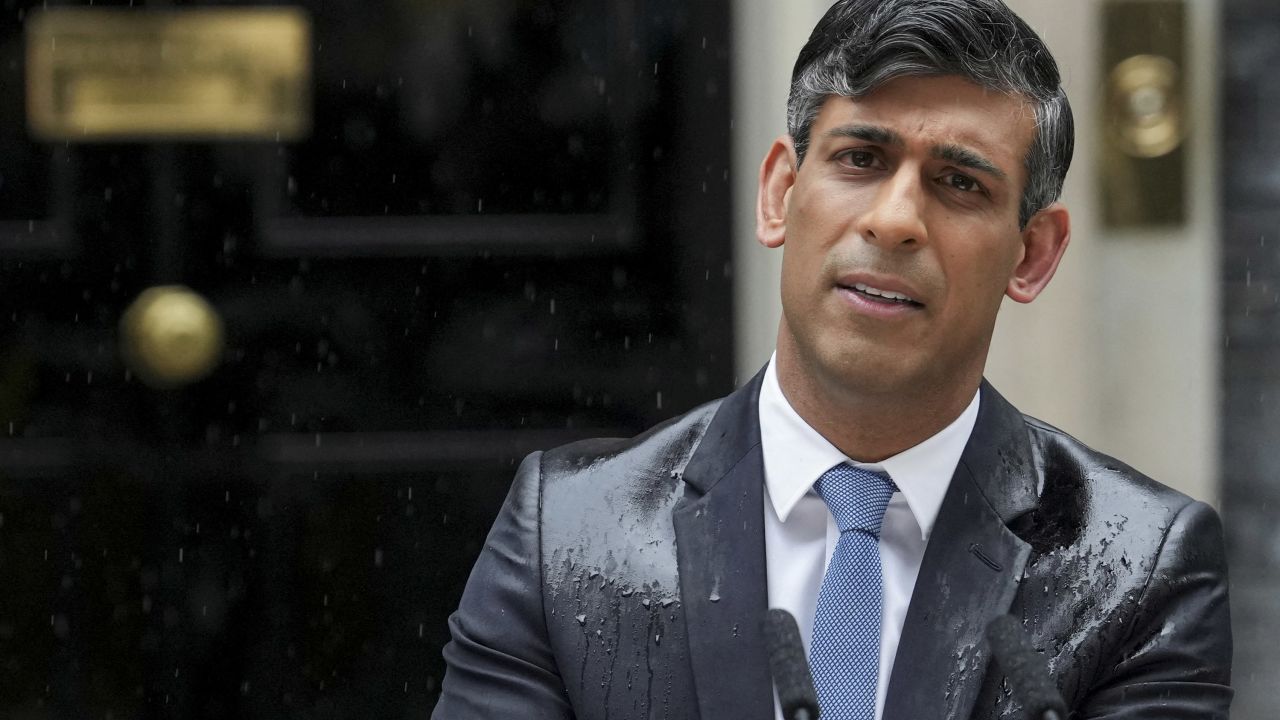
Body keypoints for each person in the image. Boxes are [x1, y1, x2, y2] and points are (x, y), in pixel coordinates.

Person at [430, 0, 1233, 718]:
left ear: (1032, 254)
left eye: (958, 183)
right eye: (860, 159)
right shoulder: (568, 533)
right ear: (780, 192)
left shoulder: (1140, 568)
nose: (894, 221)